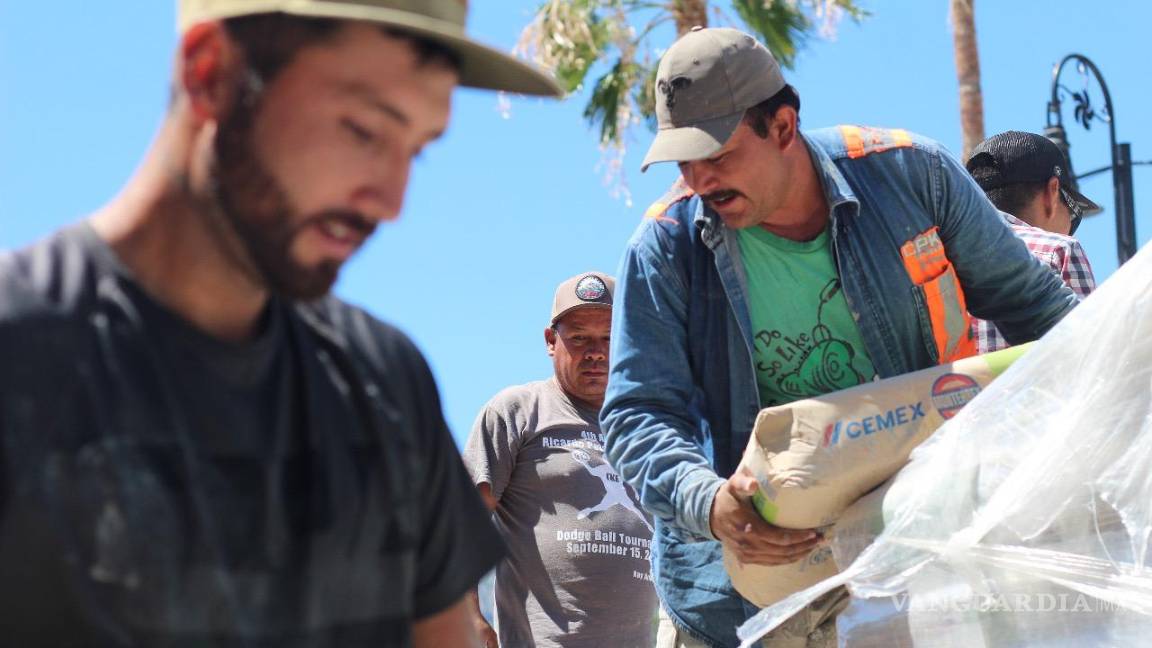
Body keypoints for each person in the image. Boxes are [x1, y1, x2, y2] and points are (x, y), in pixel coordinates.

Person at [0, 1, 559, 646]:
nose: (392, 201)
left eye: (418, 152)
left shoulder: (388, 388)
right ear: (209, 74)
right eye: (363, 130)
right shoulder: (22, 356)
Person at [600, 27, 1079, 647]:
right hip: (740, 604)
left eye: (716, 156)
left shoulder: (914, 177)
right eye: (683, 161)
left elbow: (1042, 313)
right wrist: (711, 501)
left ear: (782, 126)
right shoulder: (665, 249)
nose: (699, 180)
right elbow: (638, 414)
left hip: (906, 564)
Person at [463, 272, 657, 648]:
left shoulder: (647, 426)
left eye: (608, 337)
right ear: (552, 341)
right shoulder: (518, 411)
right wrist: (469, 616)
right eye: (580, 337)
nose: (596, 351)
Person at [965, 131, 1099, 353]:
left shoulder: (939, 259)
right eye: (1074, 213)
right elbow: (1090, 360)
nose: (1071, 229)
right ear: (1052, 192)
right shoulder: (1060, 251)